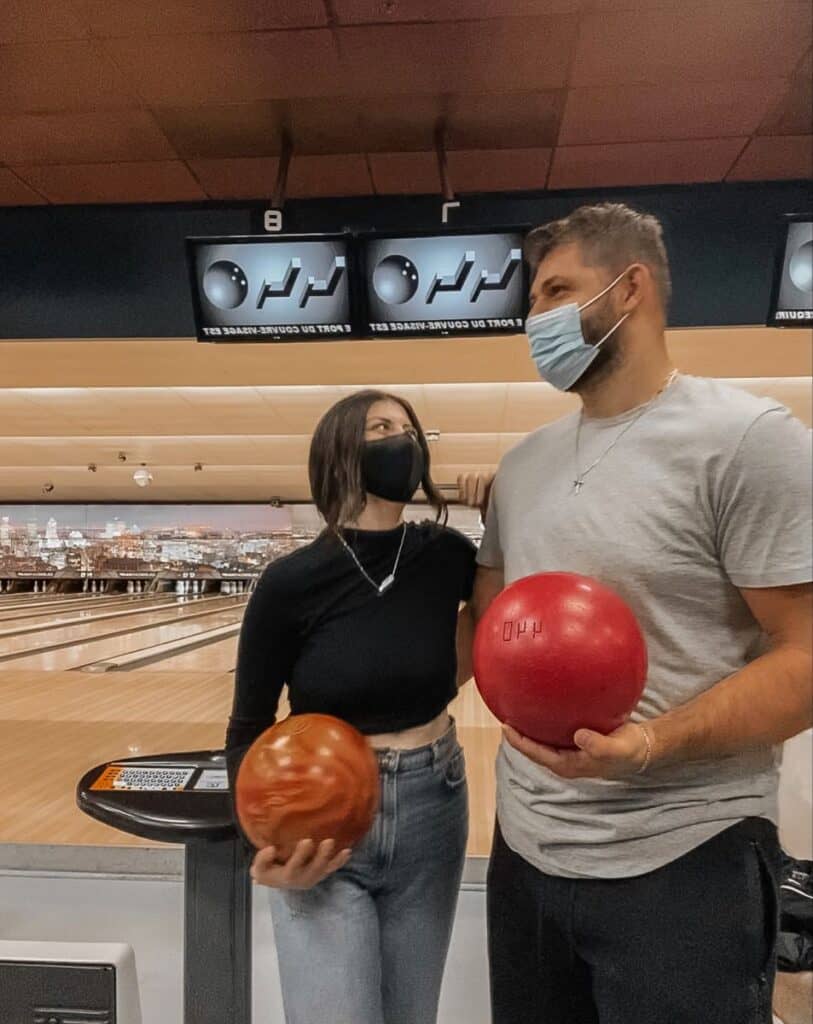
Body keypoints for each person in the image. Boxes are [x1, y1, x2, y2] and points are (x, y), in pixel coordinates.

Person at [462, 202, 813, 1024]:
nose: (535, 319)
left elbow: (805, 657)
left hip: (685, 859)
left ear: (629, 289)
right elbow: (489, 629)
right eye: (531, 303)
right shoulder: (523, 466)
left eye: (555, 290)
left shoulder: (746, 440)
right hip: (526, 853)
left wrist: (653, 743)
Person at [225, 389, 477, 1024]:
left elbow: (507, 615)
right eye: (381, 428)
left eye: (408, 427)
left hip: (434, 802)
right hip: (322, 813)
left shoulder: (444, 556)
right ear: (340, 452)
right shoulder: (289, 584)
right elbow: (248, 729)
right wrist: (264, 844)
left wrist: (506, 506)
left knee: (410, 1015)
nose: (403, 439)